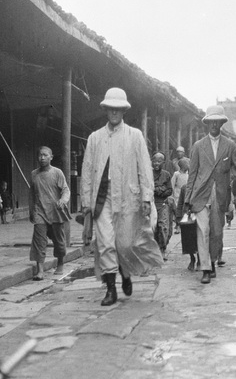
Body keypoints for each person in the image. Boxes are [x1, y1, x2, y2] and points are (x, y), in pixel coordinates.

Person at [80, 87, 163, 306]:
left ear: (124, 111)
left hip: (128, 197)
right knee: (105, 243)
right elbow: (87, 172)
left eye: (118, 109)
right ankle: (110, 288)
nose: (114, 113)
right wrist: (86, 204)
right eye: (111, 109)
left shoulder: (134, 135)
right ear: (106, 110)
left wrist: (147, 197)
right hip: (101, 199)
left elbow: (145, 168)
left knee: (125, 244)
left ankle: (125, 272)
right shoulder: (94, 138)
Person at [185, 105, 236, 284]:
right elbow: (192, 174)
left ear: (222, 123)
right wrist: (187, 198)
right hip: (201, 193)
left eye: (217, 121)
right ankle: (205, 268)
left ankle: (213, 261)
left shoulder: (230, 146)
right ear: (207, 123)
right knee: (202, 230)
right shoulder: (198, 146)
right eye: (211, 121)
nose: (214, 125)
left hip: (220, 194)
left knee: (216, 232)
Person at [29, 146, 71, 280]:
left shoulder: (57, 173)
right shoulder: (34, 174)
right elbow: (32, 194)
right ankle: (40, 270)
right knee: (39, 242)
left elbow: (65, 190)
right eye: (40, 155)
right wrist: (32, 211)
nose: (42, 158)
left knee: (59, 242)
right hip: (40, 212)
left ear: (51, 157)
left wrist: (63, 200)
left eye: (45, 155)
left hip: (55, 212)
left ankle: (60, 263)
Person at [152, 151, 173, 260]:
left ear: (163, 163)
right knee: (152, 228)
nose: (156, 163)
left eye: (159, 161)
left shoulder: (166, 174)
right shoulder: (148, 174)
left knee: (163, 227)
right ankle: (154, 251)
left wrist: (159, 190)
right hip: (151, 204)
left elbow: (169, 190)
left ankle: (162, 249)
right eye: (155, 161)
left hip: (162, 204)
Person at [176, 183, 199, 271]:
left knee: (199, 239)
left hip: (198, 215)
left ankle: (200, 259)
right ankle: (192, 258)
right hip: (187, 217)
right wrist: (178, 217)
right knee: (188, 240)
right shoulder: (184, 188)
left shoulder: (202, 187)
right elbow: (180, 203)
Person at [171, 157, 190, 234]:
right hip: (177, 194)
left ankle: (183, 224)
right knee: (177, 211)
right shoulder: (176, 174)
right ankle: (178, 226)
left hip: (185, 194)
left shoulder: (188, 175)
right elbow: (172, 184)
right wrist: (172, 194)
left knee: (184, 210)